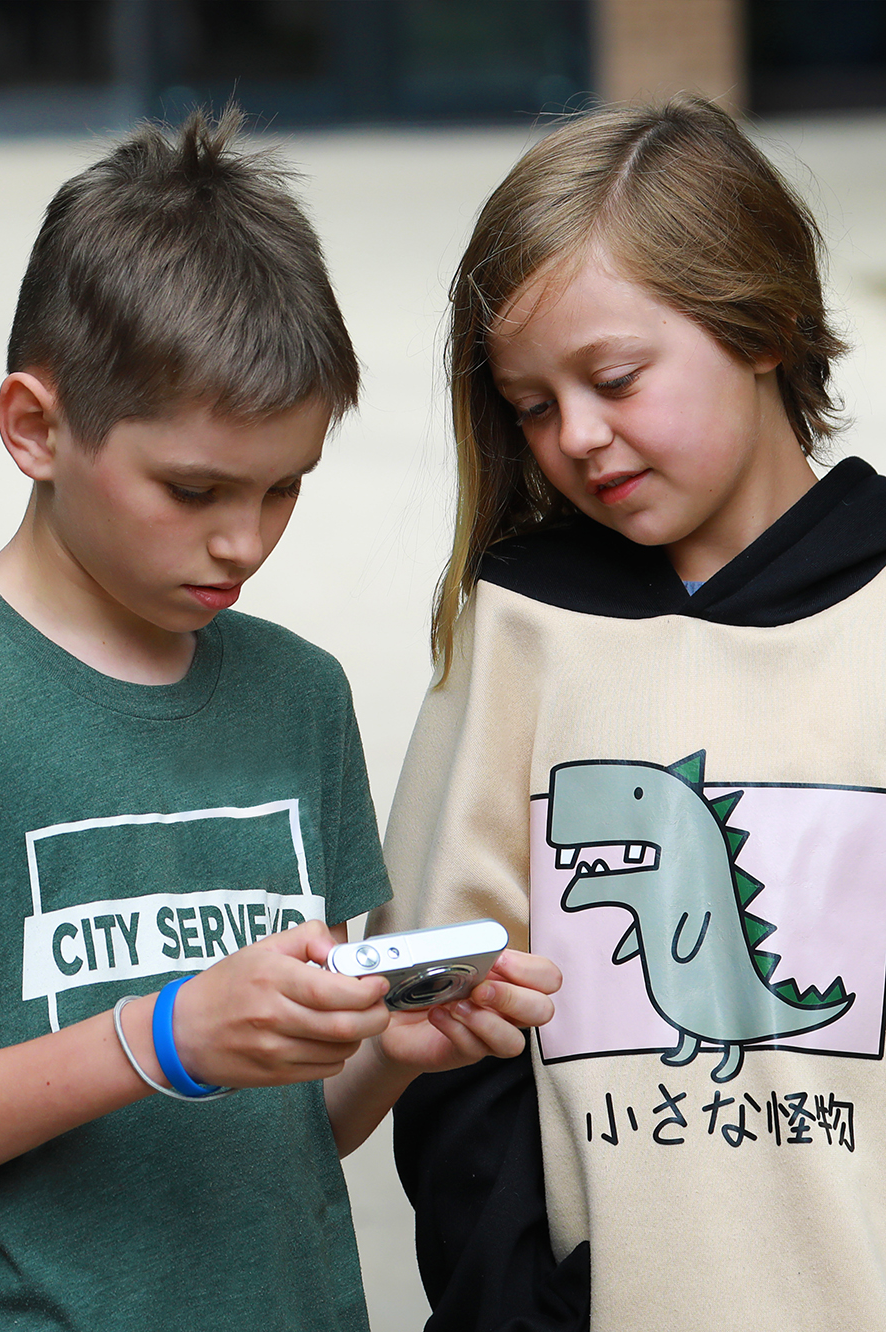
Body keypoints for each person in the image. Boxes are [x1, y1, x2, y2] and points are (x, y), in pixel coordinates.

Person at [0, 108, 559, 1332]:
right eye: (193, 489)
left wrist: (387, 1054)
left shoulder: (299, 696)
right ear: (35, 428)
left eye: (284, 486)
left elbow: (285, 1140)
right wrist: (153, 1039)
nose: (244, 539)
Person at [373, 96, 886, 1332]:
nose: (575, 439)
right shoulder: (518, 623)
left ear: (758, 324)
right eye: (532, 406)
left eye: (610, 379)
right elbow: (439, 1025)